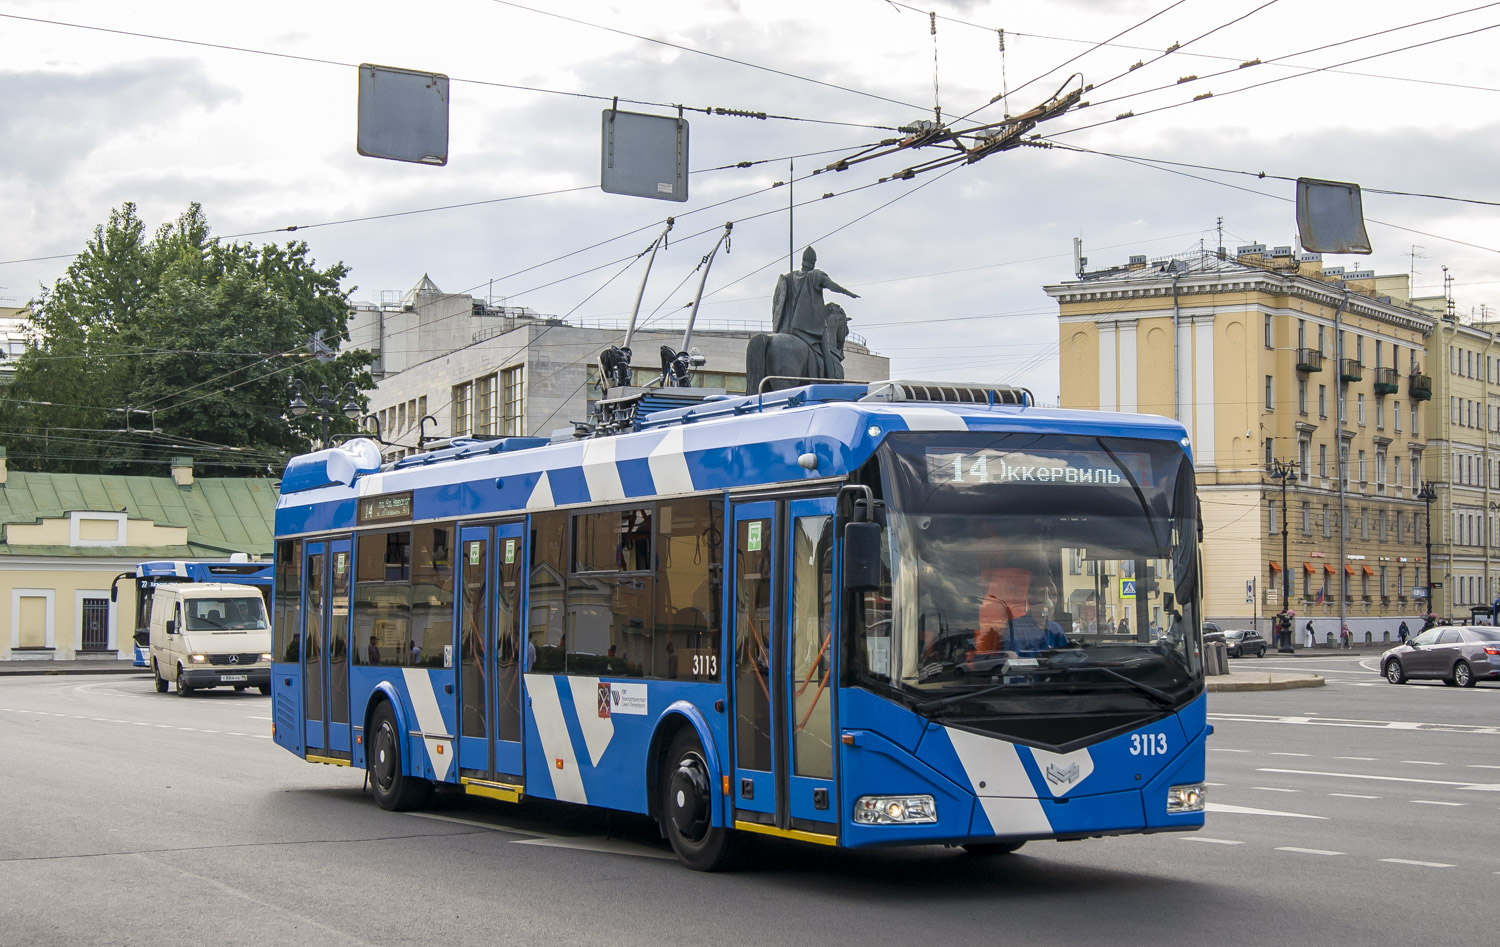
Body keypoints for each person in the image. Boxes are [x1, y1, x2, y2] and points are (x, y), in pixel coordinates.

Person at [1006, 577, 1070, 654]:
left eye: (1054, 595)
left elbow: (1066, 656)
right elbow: (1013, 658)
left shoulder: (1056, 629)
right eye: (1043, 594)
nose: (1049, 600)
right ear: (1031, 598)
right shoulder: (1015, 627)